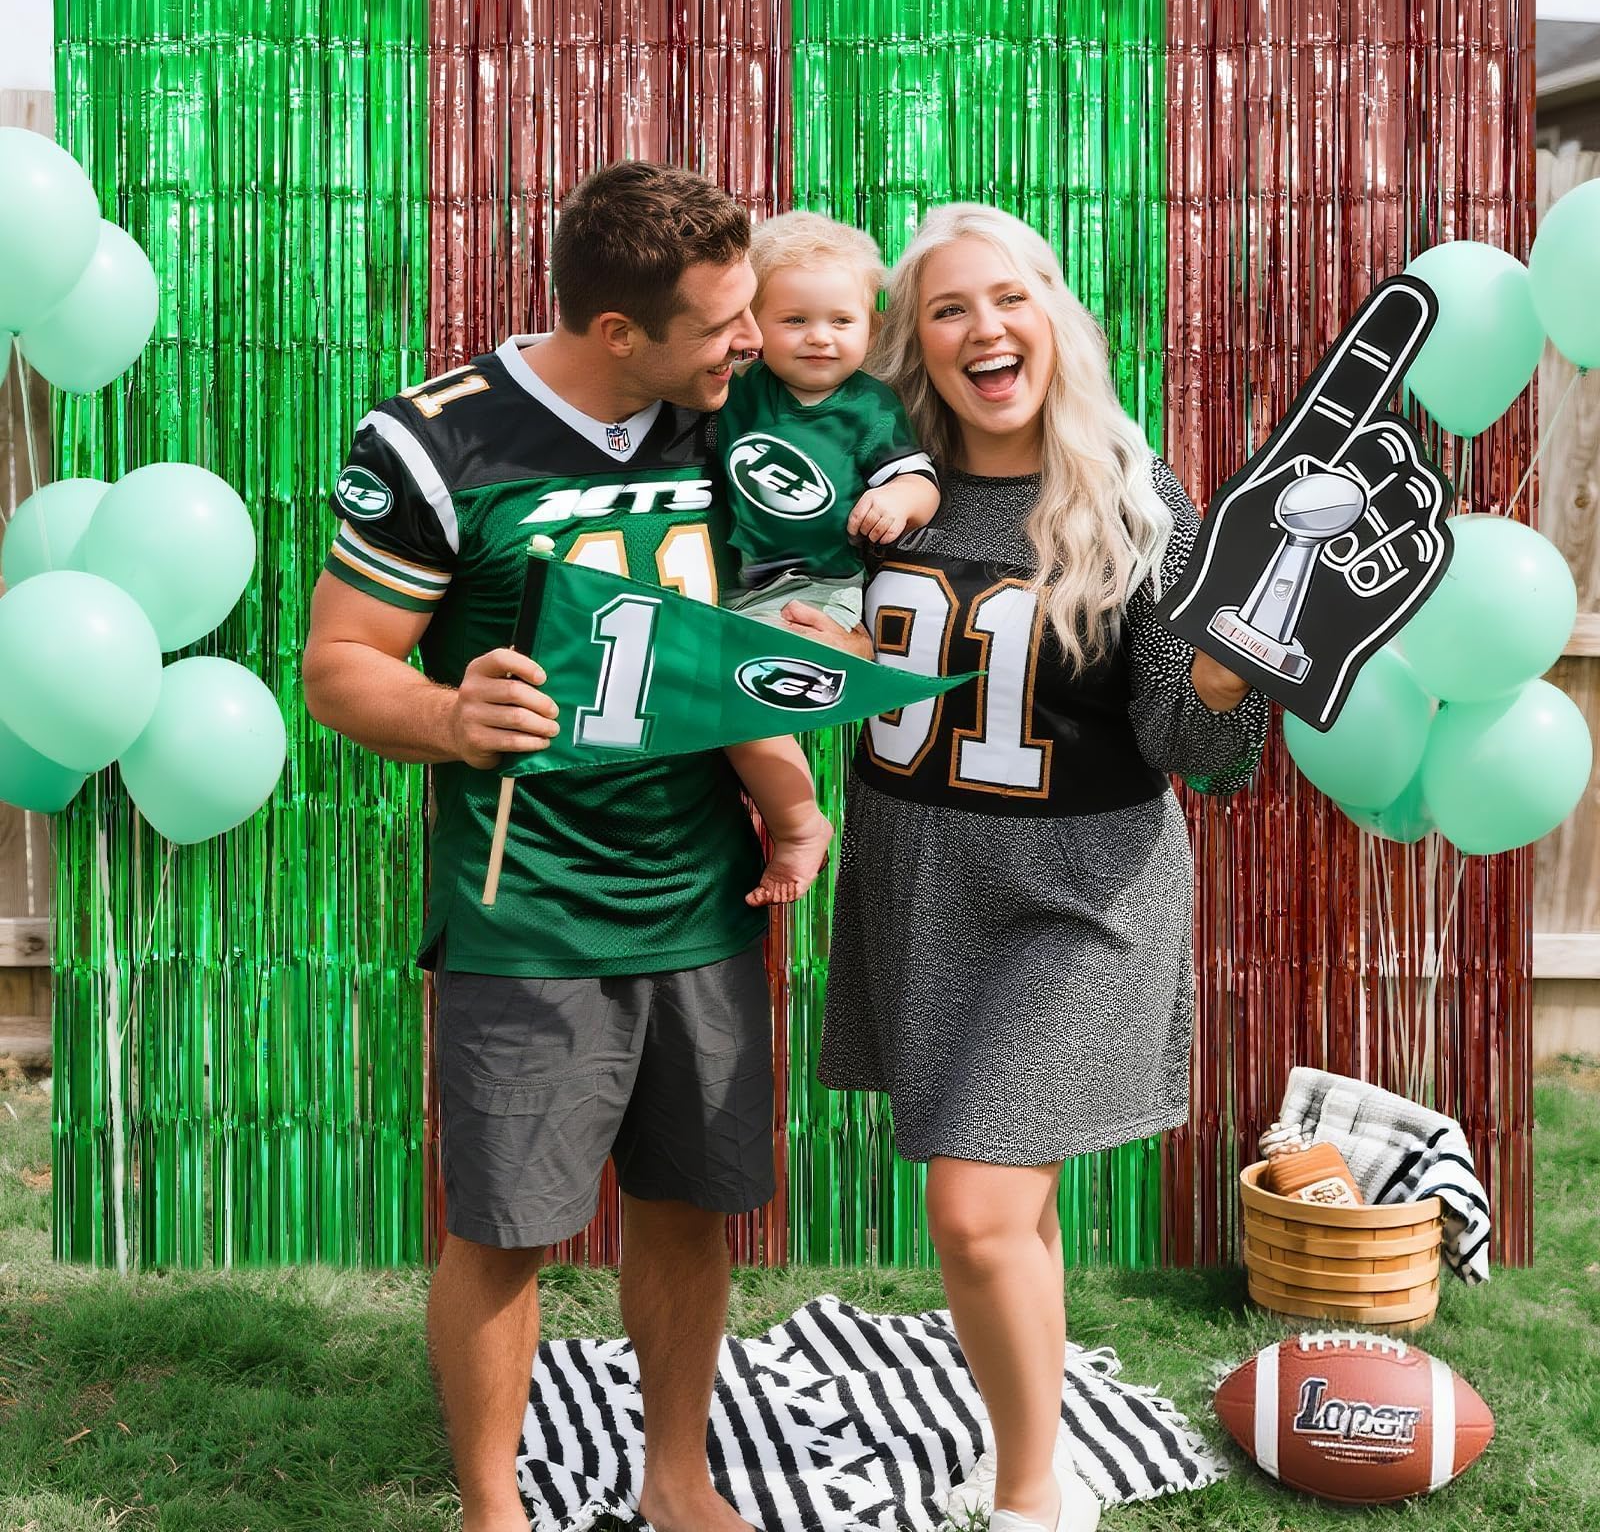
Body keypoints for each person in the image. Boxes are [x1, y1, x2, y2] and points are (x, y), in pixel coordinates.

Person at [301, 161, 865, 1532]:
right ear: (618, 331)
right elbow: (338, 665)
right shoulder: (436, 441)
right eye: (721, 323)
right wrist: (449, 713)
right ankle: (493, 1509)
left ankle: (677, 1478)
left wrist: (801, 754)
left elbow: (752, 629)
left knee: (688, 1205)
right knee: (504, 1229)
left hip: (701, 896)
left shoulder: (735, 425)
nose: (752, 341)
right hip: (528, 907)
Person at [817, 204, 1268, 1532]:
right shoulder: (875, 489)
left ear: (1054, 316)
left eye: (1006, 298)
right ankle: (1036, 1437)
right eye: (947, 310)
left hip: (1084, 894)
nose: (983, 329)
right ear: (916, 344)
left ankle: (1031, 1497)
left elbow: (1199, 750)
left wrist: (1226, 672)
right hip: (922, 884)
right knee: (1006, 1205)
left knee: (971, 1207)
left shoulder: (1137, 500)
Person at [718, 210, 941, 629]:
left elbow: (920, 481)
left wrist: (897, 499)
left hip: (821, 586)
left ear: (871, 330)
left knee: (778, 644)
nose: (820, 337)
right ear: (754, 324)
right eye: (795, 320)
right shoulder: (737, 390)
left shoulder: (869, 407)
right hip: (730, 584)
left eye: (841, 321)